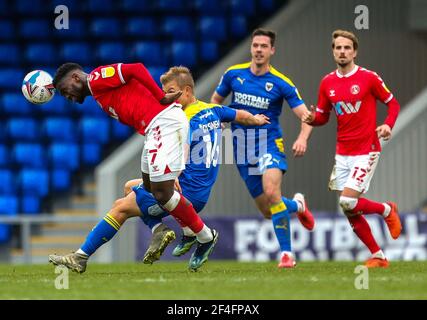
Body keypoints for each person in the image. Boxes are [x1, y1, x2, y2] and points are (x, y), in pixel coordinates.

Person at [48, 66, 270, 272]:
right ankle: (162, 230)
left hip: (164, 126)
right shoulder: (99, 94)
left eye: (64, 90)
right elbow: (236, 115)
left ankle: (201, 234)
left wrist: (160, 97)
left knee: (127, 205)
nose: (67, 96)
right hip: (155, 131)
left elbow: (135, 68)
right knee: (138, 187)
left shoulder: (96, 78)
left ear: (76, 77)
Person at [211, 28, 315, 268]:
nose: (258, 50)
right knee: (269, 210)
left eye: (263, 46)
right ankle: (298, 205)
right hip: (241, 148)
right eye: (255, 45)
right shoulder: (233, 75)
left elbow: (306, 116)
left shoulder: (281, 83)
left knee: (271, 193)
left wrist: (303, 138)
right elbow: (215, 102)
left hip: (269, 144)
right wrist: (220, 122)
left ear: (272, 51)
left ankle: (287, 255)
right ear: (251, 48)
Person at [302, 29, 402, 268]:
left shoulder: (369, 78)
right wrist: (311, 118)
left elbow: (393, 104)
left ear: (355, 51)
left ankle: (387, 209)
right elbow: (323, 117)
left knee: (347, 201)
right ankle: (378, 255)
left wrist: (388, 125)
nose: (342, 52)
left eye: (347, 48)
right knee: (348, 209)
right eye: (338, 47)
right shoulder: (328, 82)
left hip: (367, 149)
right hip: (342, 153)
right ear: (333, 51)